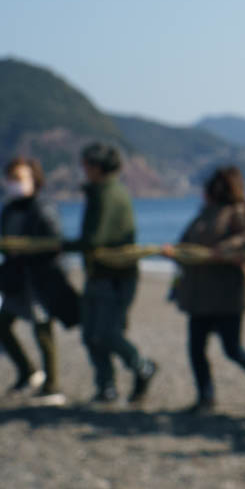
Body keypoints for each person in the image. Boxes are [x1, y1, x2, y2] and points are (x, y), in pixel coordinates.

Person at [172, 166, 245, 413]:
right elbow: (185, 242)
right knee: (196, 348)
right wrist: (176, 252)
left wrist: (226, 249)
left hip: (226, 294)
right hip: (198, 293)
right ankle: (205, 397)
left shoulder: (237, 213)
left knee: (232, 348)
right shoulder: (204, 214)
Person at [72, 141, 156, 404]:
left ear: (96, 167)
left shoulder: (108, 193)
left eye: (86, 165)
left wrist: (61, 245)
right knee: (90, 334)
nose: (83, 170)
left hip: (116, 276)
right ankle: (106, 386)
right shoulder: (101, 191)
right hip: (101, 274)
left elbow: (95, 238)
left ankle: (142, 366)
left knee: (106, 333)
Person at [0, 157, 77, 404]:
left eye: (19, 178)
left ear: (34, 179)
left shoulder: (43, 207)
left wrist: (27, 250)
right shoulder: (8, 209)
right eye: (11, 179)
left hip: (39, 278)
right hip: (17, 279)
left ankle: (52, 385)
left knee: (43, 330)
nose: (13, 184)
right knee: (1, 325)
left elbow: (54, 242)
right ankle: (27, 371)